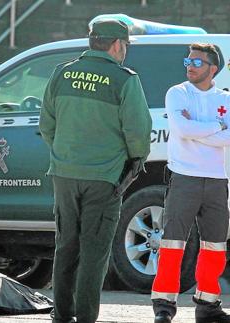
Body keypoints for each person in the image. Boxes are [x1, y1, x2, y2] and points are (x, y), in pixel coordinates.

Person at [39, 19, 152, 323]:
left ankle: (61, 315)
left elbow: (46, 126)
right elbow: (139, 135)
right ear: (116, 45)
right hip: (104, 178)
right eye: (125, 45)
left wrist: (66, 156)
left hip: (63, 175)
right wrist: (133, 161)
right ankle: (86, 317)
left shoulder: (62, 73)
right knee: (94, 251)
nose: (125, 51)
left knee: (65, 246)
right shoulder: (124, 79)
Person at [151, 43, 230, 323]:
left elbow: (226, 137)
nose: (190, 65)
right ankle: (163, 307)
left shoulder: (226, 97)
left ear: (213, 68)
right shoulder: (178, 93)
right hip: (184, 177)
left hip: (217, 181)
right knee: (173, 244)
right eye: (188, 60)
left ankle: (208, 307)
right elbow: (182, 129)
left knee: (215, 247)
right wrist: (219, 126)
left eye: (197, 61)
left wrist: (200, 129)